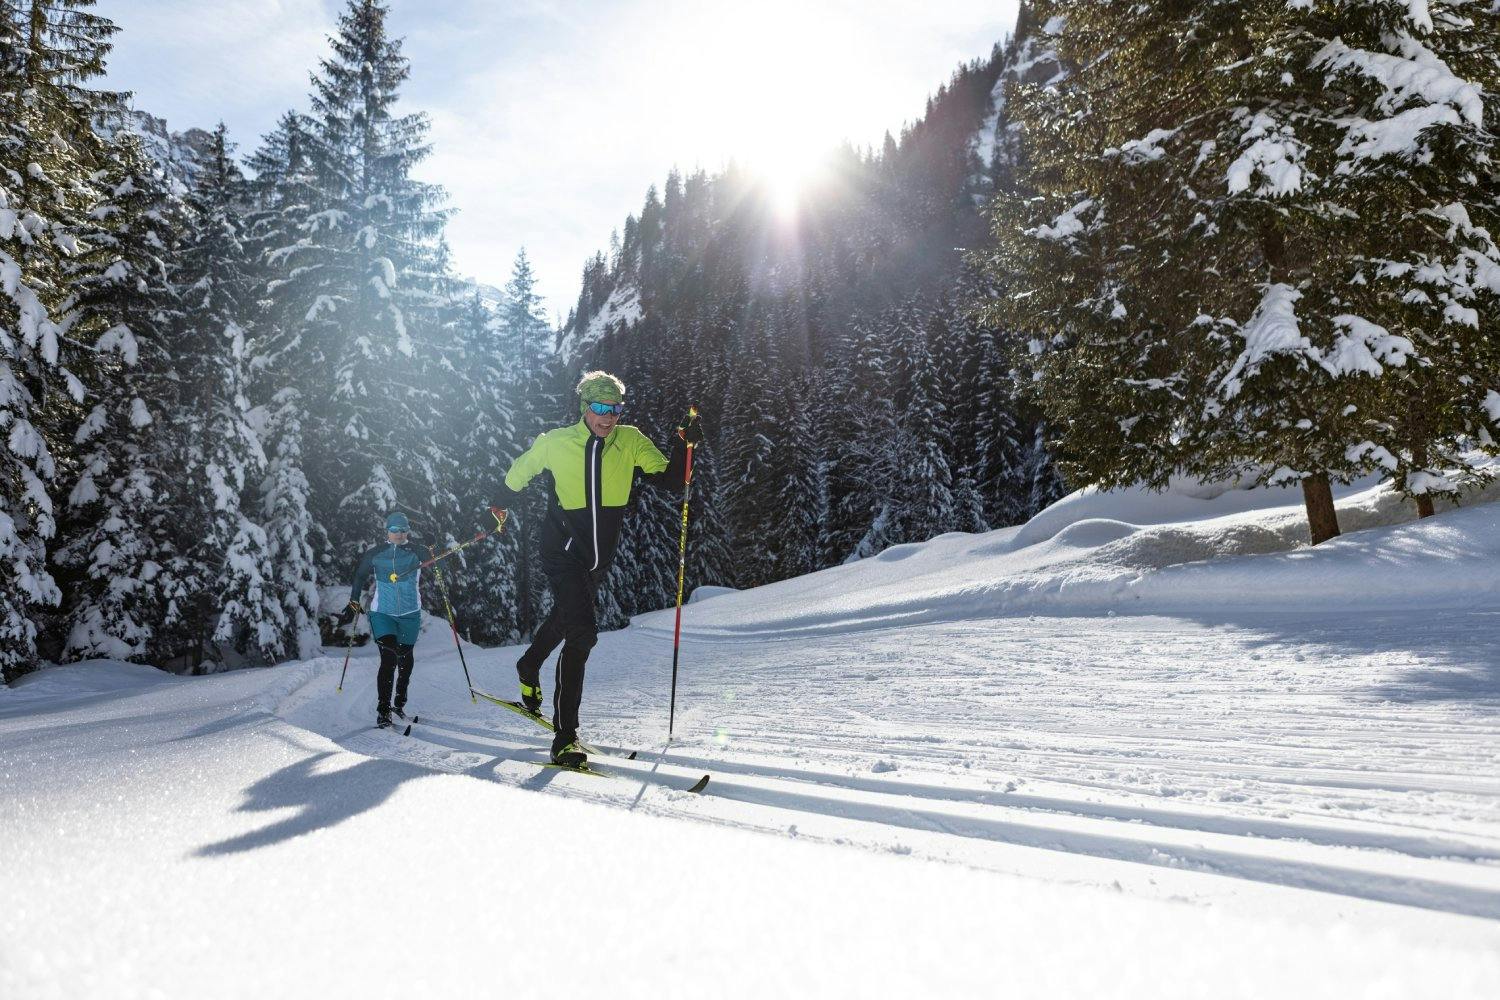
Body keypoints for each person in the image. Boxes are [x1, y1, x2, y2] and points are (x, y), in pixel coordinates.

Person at [498, 370, 701, 765]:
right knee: (583, 634)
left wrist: (683, 444)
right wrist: (499, 502)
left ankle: (528, 664)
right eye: (600, 408)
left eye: (615, 409)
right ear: (584, 407)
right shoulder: (556, 443)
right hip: (561, 552)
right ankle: (565, 738)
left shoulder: (629, 441)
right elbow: (516, 475)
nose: (608, 417)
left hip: (597, 559)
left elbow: (674, 480)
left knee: (566, 618)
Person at [336, 511, 423, 727]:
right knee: (390, 657)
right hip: (383, 613)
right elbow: (360, 575)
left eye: (403, 530)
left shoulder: (415, 552)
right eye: (394, 530)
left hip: (410, 613)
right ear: (387, 531)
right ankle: (383, 711)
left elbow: (438, 557)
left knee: (406, 660)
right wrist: (354, 601)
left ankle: (399, 704)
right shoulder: (376, 554)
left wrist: (430, 545)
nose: (399, 534)